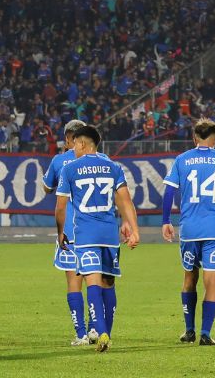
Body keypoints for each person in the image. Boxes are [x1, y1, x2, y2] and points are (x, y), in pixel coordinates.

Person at [53, 124, 139, 354]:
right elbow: (125, 201)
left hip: (85, 234)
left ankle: (99, 332)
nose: (73, 149)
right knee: (108, 284)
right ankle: (107, 332)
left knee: (92, 282)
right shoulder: (113, 167)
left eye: (75, 144)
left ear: (82, 143)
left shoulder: (70, 169)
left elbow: (60, 207)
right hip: (109, 235)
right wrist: (134, 229)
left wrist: (61, 231)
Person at [161, 118, 215, 346]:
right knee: (211, 283)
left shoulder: (182, 160)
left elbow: (169, 192)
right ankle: (205, 333)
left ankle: (189, 331)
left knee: (189, 278)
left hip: (190, 229)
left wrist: (166, 220)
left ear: (194, 138)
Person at [41, 119, 91, 345]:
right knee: (96, 281)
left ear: (68, 138)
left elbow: (47, 187)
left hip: (70, 229)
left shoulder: (60, 161)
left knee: (73, 281)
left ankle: (80, 333)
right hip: (95, 228)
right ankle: (96, 329)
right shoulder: (101, 160)